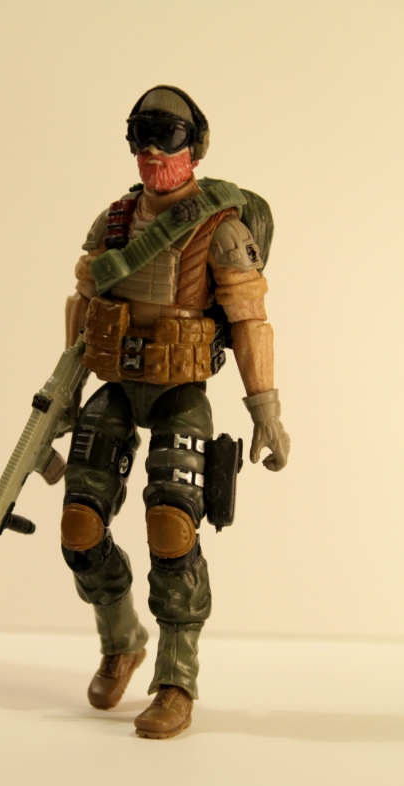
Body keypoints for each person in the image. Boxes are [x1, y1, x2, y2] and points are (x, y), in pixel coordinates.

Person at [60, 85, 290, 739]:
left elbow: (249, 321)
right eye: (141, 133)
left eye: (168, 134)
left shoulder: (222, 228)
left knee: (171, 526)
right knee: (79, 527)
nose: (153, 149)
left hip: (180, 389)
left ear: (197, 144)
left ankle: (175, 679)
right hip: (115, 383)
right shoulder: (112, 222)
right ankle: (121, 641)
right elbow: (82, 306)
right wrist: (64, 397)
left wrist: (265, 410)